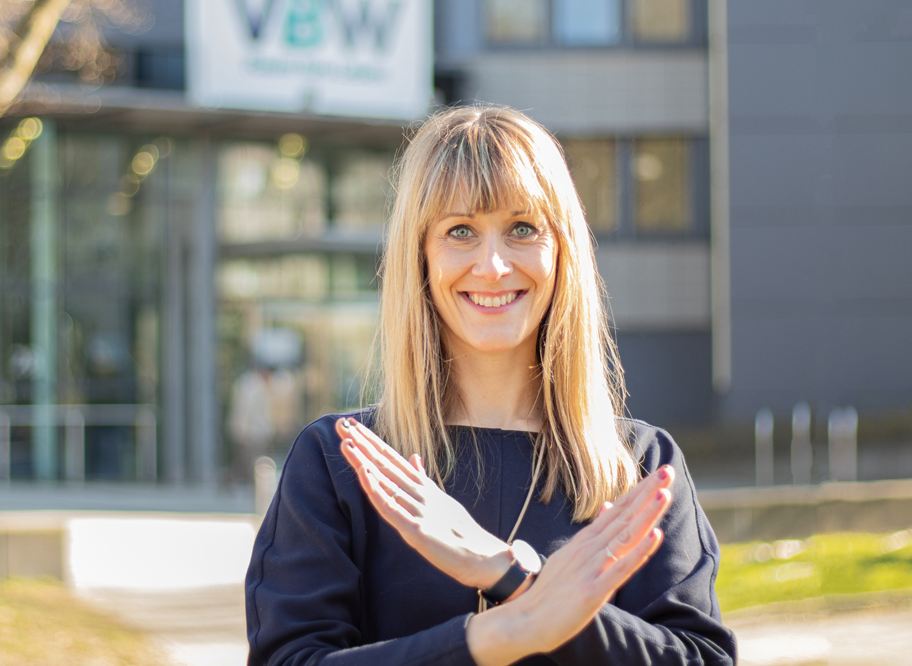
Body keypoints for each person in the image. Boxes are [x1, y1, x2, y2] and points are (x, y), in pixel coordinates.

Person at [245, 106, 736, 665]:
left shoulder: (640, 466)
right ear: (421, 256)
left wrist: (513, 576)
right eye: (460, 231)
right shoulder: (339, 464)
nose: (494, 265)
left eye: (522, 229)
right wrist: (500, 634)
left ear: (562, 252)